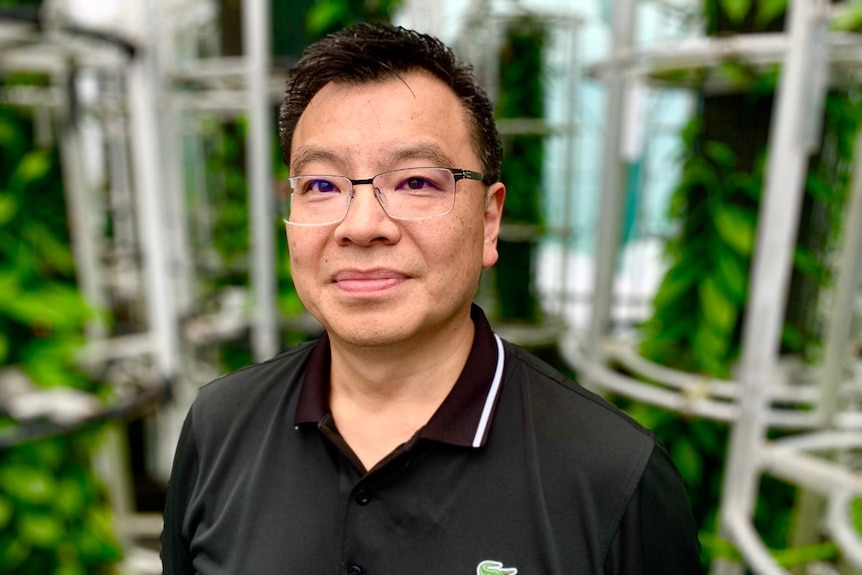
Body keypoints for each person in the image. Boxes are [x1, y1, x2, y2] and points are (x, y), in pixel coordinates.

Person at [161, 22, 702, 574]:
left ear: (489, 221)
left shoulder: (612, 476)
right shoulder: (220, 426)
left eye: (417, 182)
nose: (362, 226)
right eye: (322, 186)